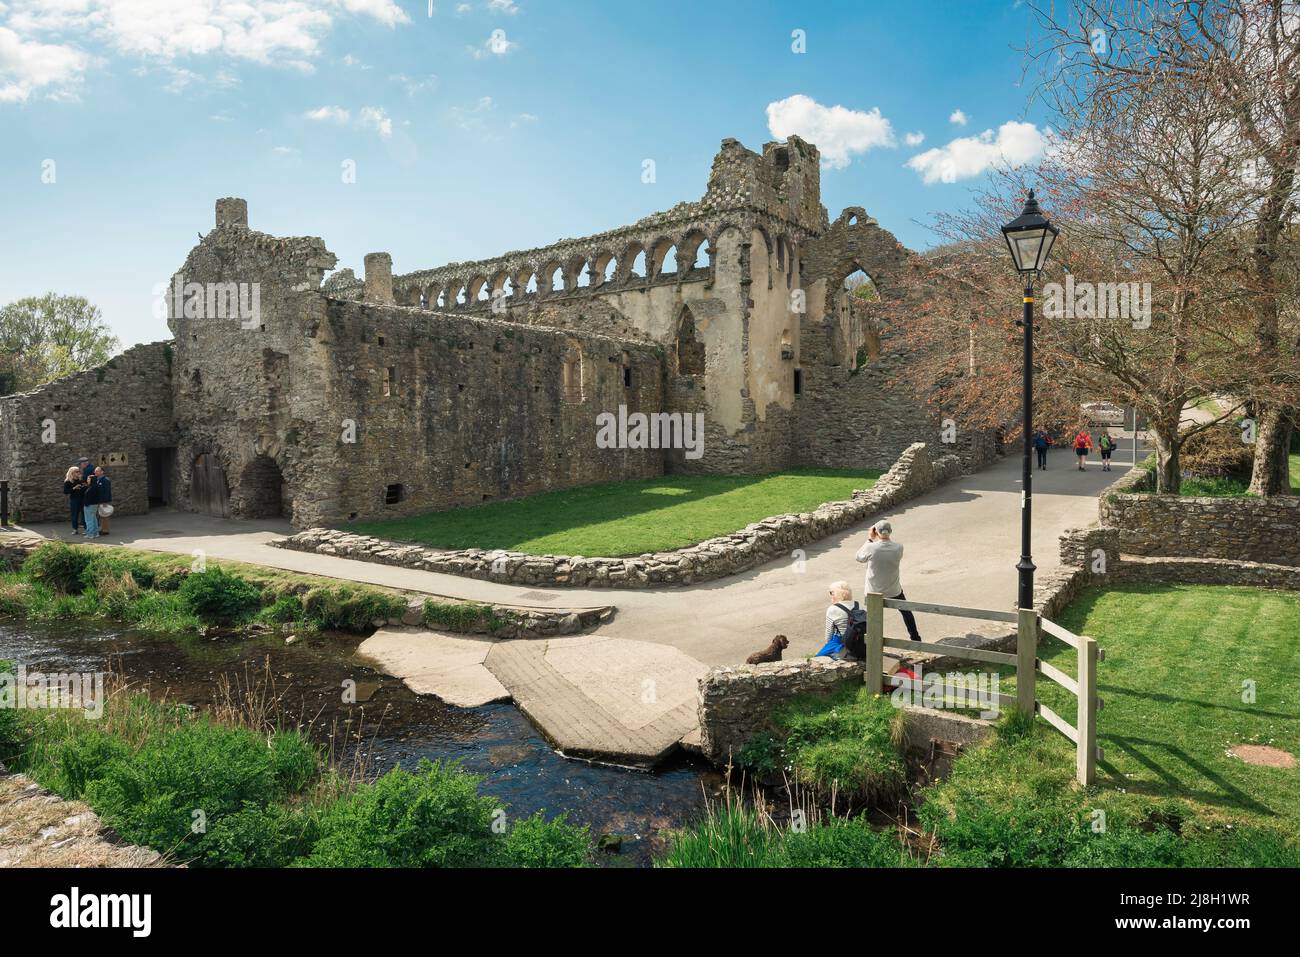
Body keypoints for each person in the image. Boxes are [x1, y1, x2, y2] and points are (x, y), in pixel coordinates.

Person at [855, 519, 922, 642]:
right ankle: (915, 637)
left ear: (876, 532)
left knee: (872, 617)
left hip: (874, 592)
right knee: (906, 612)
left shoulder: (871, 547)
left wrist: (870, 539)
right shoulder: (899, 548)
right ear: (890, 531)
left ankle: (872, 641)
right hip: (893, 590)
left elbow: (859, 557)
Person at [816, 581, 857, 659]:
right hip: (859, 643)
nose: (830, 595)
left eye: (831, 593)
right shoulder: (860, 606)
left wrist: (828, 647)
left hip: (842, 644)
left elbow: (829, 634)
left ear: (836, 594)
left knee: (816, 658)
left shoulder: (833, 609)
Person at [63, 466, 86, 535]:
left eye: (79, 471)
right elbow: (65, 491)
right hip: (74, 500)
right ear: (72, 473)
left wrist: (85, 485)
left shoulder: (81, 480)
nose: (78, 473)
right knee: (75, 515)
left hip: (82, 499)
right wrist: (74, 488)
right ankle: (75, 529)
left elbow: (85, 490)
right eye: (77, 471)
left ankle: (86, 529)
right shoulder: (68, 481)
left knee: (84, 514)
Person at [82, 466, 103, 539]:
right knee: (93, 519)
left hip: (89, 505)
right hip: (94, 505)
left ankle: (90, 534)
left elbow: (89, 497)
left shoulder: (91, 488)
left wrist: (85, 504)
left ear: (91, 480)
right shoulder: (95, 486)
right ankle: (96, 533)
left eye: (88, 479)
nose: (87, 480)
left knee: (89, 520)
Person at [93, 466, 113, 535]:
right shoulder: (97, 479)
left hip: (104, 501)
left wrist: (105, 501)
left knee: (105, 515)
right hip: (99, 500)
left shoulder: (106, 480)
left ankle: (105, 530)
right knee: (101, 515)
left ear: (102, 472)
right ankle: (102, 529)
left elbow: (107, 491)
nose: (95, 472)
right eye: (95, 471)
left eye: (97, 471)